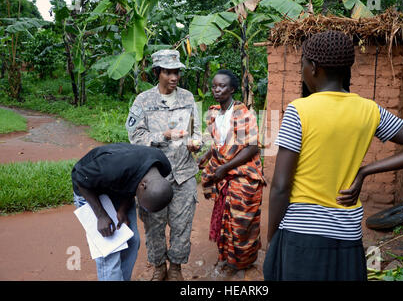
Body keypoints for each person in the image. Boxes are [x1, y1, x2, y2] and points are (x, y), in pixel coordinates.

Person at [263, 30, 403, 281]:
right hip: (347, 235)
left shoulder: (299, 110)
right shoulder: (370, 110)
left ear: (314, 67)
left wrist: (272, 238)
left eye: (302, 63)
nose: (302, 70)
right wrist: (366, 170)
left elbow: (281, 186)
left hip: (301, 236)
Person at [125, 49, 202, 281]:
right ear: (157, 72)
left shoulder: (187, 98)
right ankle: (159, 267)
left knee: (182, 225)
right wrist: (164, 135)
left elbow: (195, 131)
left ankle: (176, 268)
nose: (174, 77)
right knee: (154, 225)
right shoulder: (143, 101)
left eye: (176, 71)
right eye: (168, 72)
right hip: (154, 176)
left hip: (184, 174)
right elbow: (135, 135)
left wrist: (195, 143)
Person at [72, 142, 173, 281]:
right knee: (109, 251)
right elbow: (80, 178)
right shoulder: (111, 167)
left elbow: (132, 181)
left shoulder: (162, 165)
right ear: (143, 186)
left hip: (117, 187)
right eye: (142, 205)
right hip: (90, 189)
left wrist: (123, 208)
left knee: (132, 242)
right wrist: (101, 216)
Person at [198, 69, 266, 273]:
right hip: (225, 175)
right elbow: (220, 143)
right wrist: (207, 156)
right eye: (214, 86)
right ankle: (226, 258)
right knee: (224, 220)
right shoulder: (214, 113)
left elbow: (253, 146)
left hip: (244, 177)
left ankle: (239, 262)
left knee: (240, 222)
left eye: (222, 86)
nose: (217, 90)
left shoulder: (242, 113)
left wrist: (225, 167)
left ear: (232, 89)